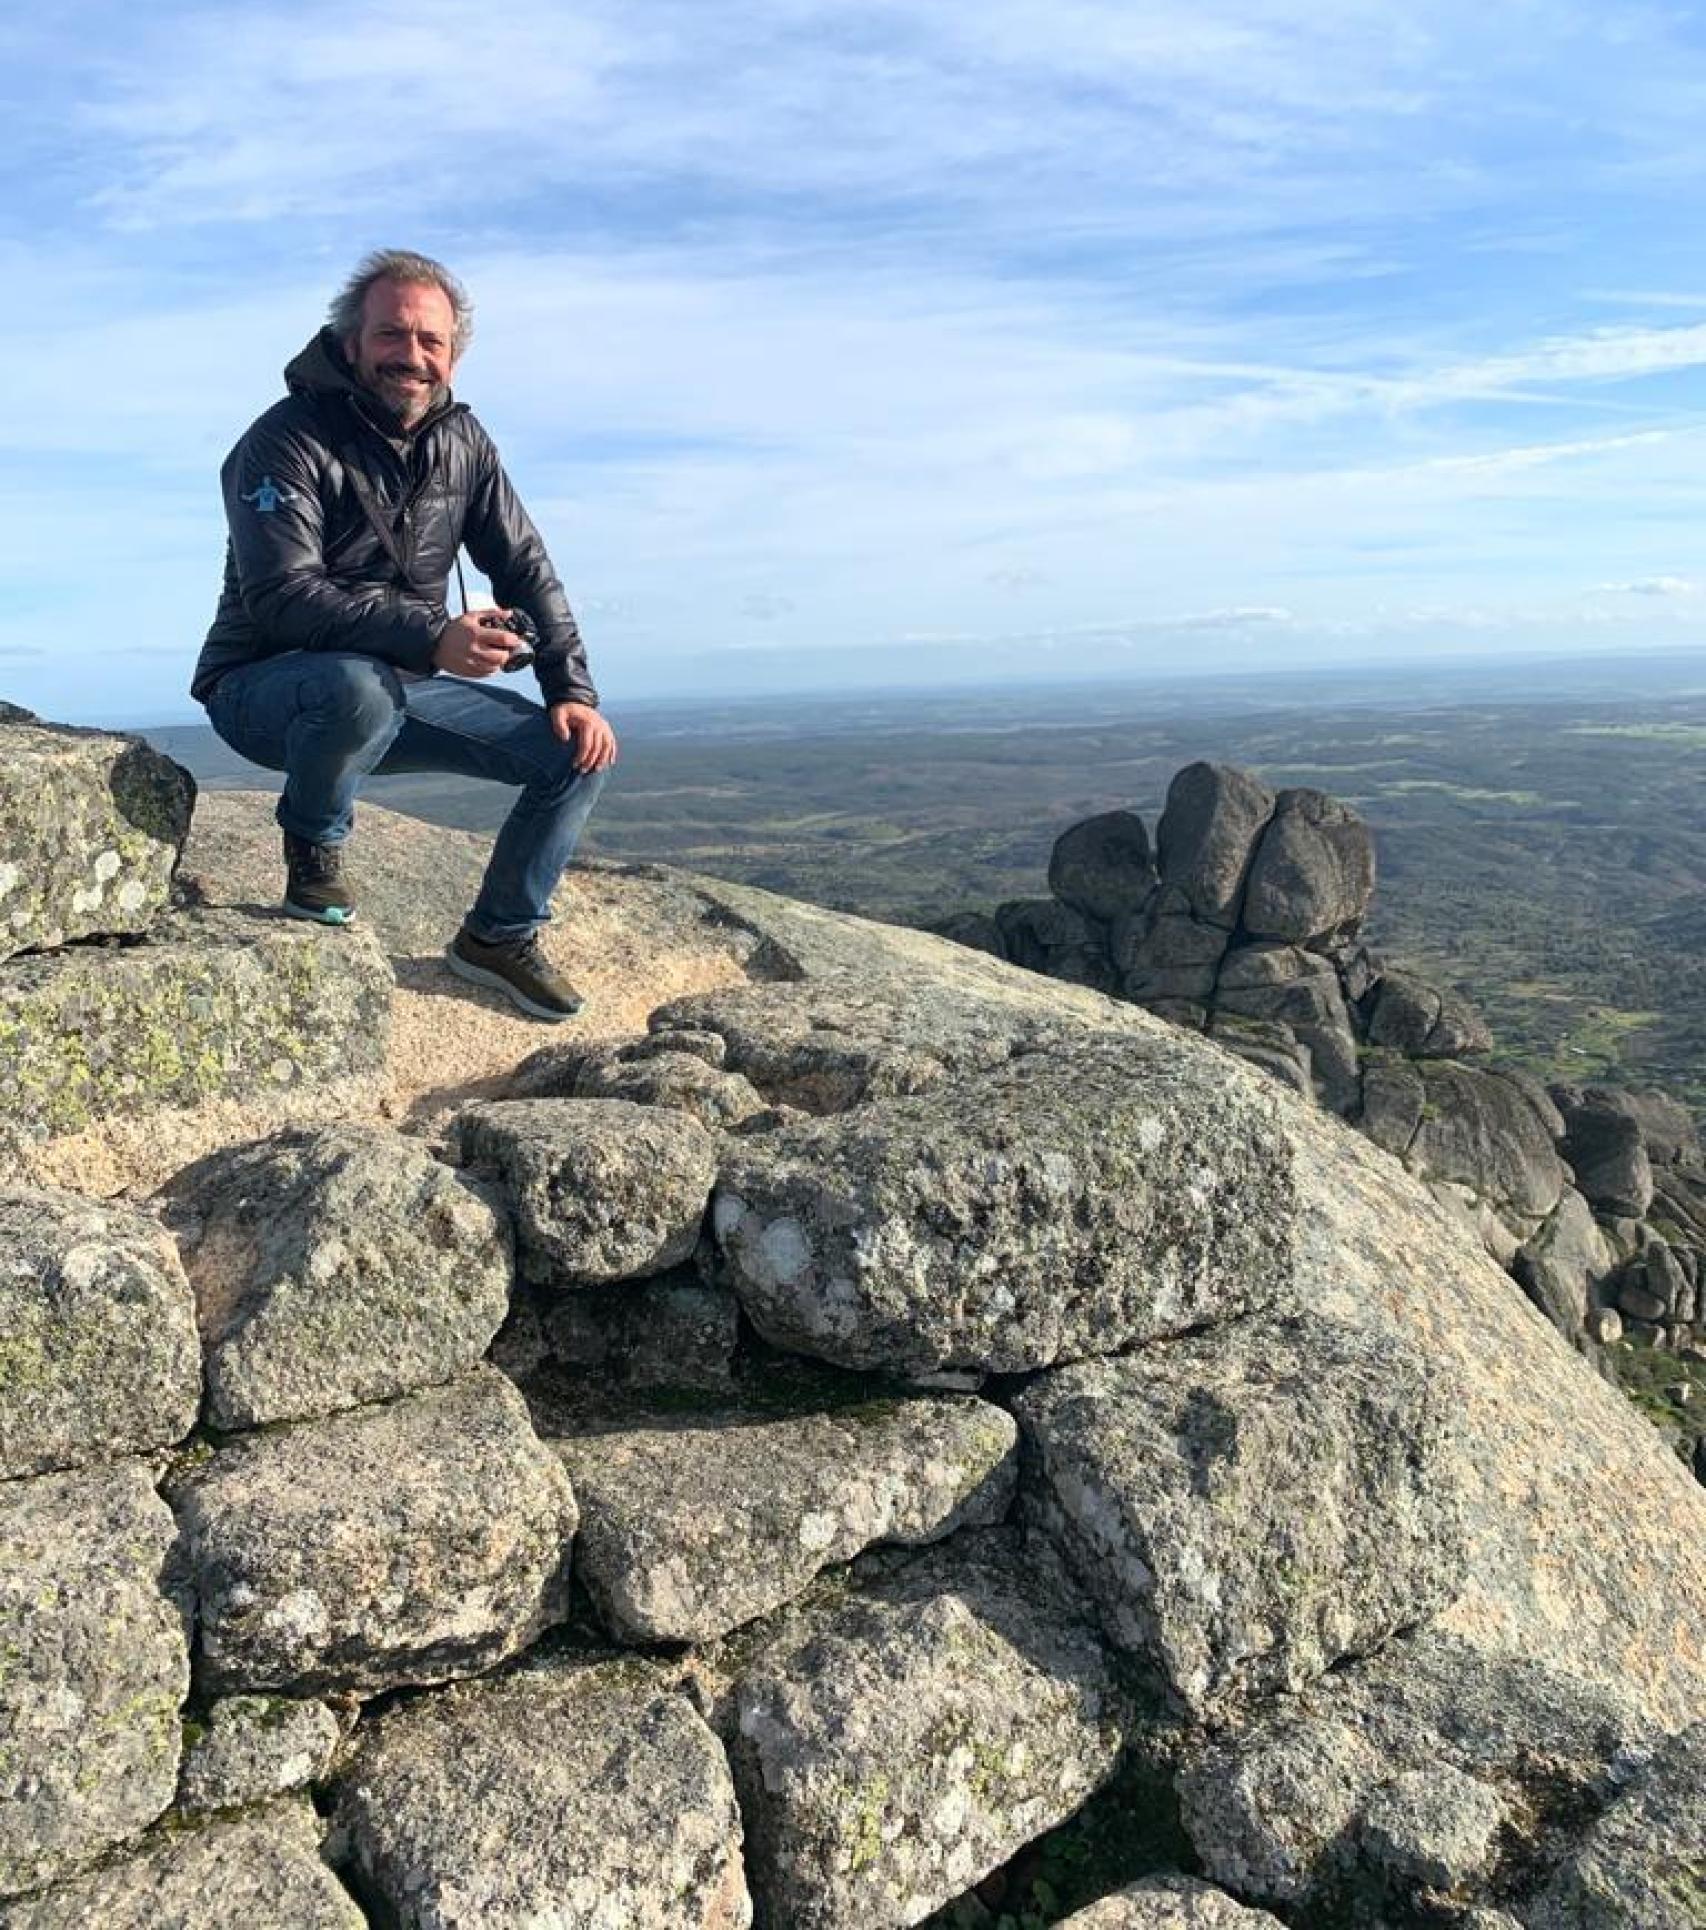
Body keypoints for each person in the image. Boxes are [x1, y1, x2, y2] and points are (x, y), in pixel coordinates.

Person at [191, 247, 617, 1022]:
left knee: (576, 754)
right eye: (393, 335)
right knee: (356, 685)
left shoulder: (463, 440)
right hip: (266, 689)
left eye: (432, 342)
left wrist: (571, 689)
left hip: (397, 687)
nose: (413, 356)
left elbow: (524, 562)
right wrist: (432, 638)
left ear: (453, 356)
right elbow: (284, 596)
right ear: (350, 342)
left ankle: (498, 936)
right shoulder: (284, 439)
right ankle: (314, 849)